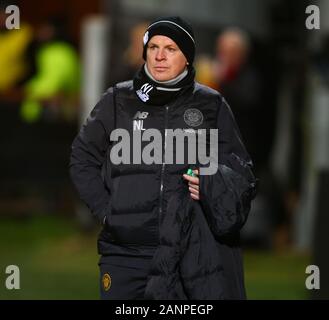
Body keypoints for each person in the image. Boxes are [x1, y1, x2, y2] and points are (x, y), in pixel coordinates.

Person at [69, 16, 257, 300]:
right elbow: (82, 158)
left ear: (187, 57)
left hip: (190, 253)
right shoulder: (117, 101)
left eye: (170, 49)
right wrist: (108, 212)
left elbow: (240, 172)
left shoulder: (211, 104)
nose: (159, 56)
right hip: (124, 253)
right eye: (153, 46)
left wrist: (210, 182)